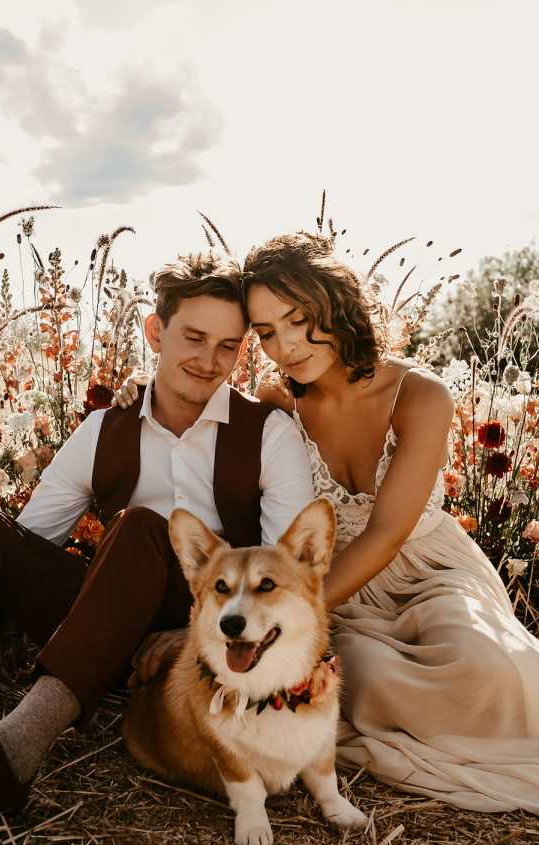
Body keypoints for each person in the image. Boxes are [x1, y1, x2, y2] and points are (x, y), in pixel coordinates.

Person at [116, 231, 539, 814]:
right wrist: (141, 393)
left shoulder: (419, 395)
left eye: (298, 319)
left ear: (336, 302)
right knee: (366, 677)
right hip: (338, 592)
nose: (286, 345)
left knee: (487, 673)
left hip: (426, 570)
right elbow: (199, 405)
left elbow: (388, 534)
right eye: (266, 332)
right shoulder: (278, 401)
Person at [0, 250, 314, 824]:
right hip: (105, 618)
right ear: (155, 331)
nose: (208, 359)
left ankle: (9, 755)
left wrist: (191, 635)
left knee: (141, 526)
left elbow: (284, 576)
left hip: (211, 638)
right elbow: (28, 540)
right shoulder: (104, 429)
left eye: (227, 346)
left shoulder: (269, 433)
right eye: (192, 337)